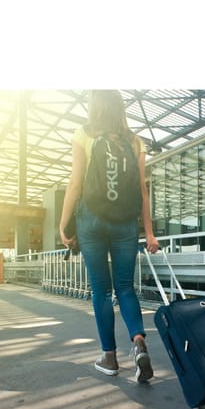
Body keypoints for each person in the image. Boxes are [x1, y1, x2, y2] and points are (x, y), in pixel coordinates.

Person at [59, 90, 160, 382]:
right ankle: (139, 343)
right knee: (126, 287)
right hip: (125, 224)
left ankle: (109, 357)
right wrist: (149, 233)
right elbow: (142, 190)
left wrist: (63, 224)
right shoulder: (134, 141)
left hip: (91, 221)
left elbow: (75, 183)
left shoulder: (85, 133)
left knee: (102, 290)